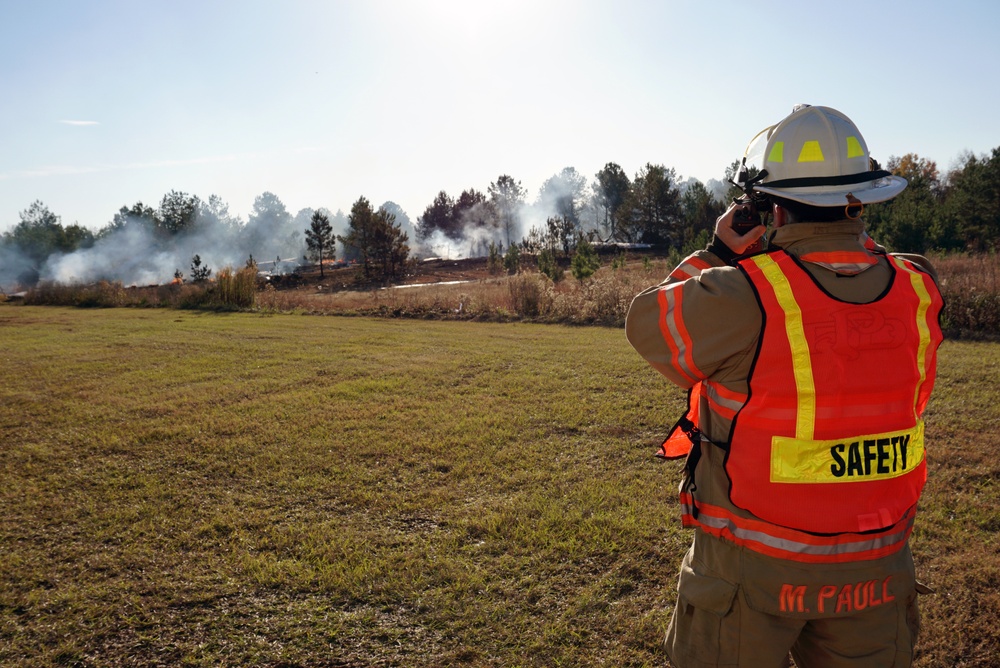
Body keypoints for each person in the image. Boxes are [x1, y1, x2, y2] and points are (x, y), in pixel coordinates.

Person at [625, 105, 944, 667]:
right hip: (877, 570)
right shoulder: (919, 288)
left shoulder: (742, 295)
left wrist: (720, 253)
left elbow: (647, 324)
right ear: (861, 198)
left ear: (771, 206)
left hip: (751, 572)